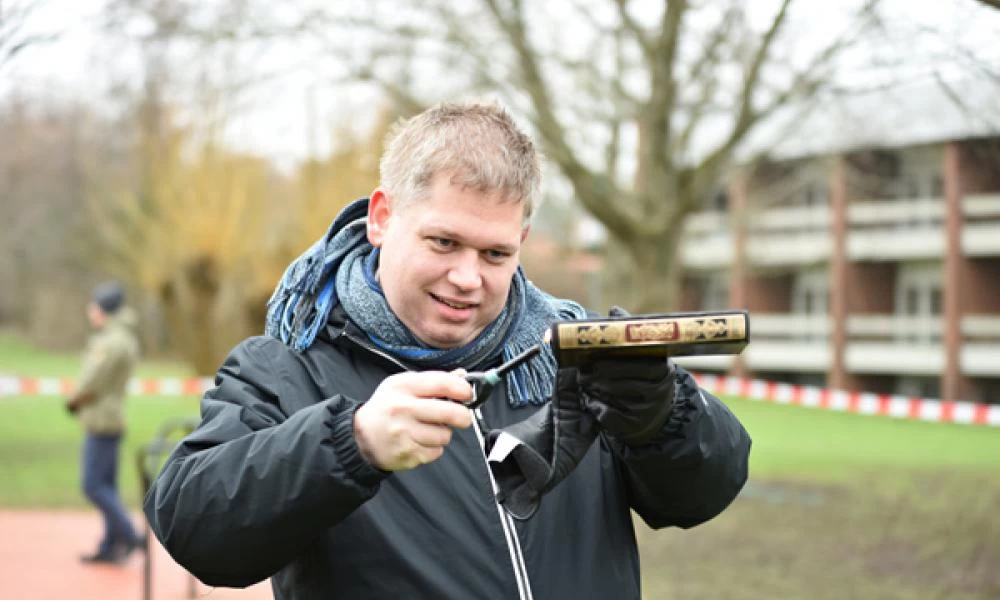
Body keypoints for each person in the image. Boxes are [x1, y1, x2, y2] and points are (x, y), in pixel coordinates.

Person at [144, 102, 751, 599]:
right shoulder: (287, 366)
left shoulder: (575, 354)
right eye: (443, 241)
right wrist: (350, 443)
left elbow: (704, 493)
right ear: (382, 217)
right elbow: (194, 527)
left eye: (495, 254)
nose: (468, 277)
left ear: (523, 241)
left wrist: (660, 417)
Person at [66, 281, 145, 564]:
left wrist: (73, 400)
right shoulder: (119, 337)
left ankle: (131, 536)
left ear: (104, 310)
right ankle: (111, 545)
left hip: (102, 419)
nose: (90, 310)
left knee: (93, 486)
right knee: (106, 485)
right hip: (110, 417)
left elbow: (92, 379)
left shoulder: (113, 341)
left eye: (94, 305)